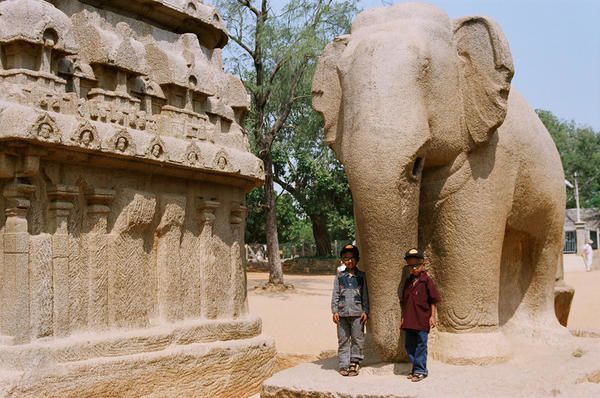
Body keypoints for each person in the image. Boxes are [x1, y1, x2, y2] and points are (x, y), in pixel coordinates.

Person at [400, 248, 440, 382]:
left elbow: (433, 300)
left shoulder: (427, 281)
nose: (414, 268)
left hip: (422, 319)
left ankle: (421, 370)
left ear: (423, 264)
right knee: (409, 345)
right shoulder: (408, 282)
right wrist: (403, 317)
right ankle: (415, 368)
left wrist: (432, 316)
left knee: (421, 345)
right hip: (410, 319)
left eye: (416, 265)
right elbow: (405, 302)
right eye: (410, 266)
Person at [331, 244, 369, 376]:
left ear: (357, 259)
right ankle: (343, 364)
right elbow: (335, 294)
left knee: (358, 339)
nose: (349, 261)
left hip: (358, 313)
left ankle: (355, 362)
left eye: (352, 258)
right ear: (342, 260)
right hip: (342, 313)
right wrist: (334, 311)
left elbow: (365, 295)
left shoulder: (362, 276)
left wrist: (365, 310)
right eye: (346, 258)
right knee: (343, 339)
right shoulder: (340, 276)